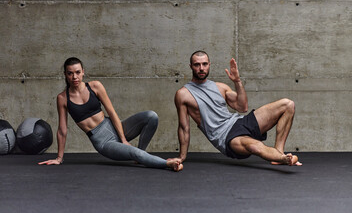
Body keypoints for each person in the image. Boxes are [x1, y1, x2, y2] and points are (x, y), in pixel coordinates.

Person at [39, 57, 183, 171]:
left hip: (115, 127)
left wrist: (123, 139)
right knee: (134, 152)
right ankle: (167, 164)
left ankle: (141, 155)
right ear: (65, 74)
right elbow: (62, 130)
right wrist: (59, 158)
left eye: (77, 72)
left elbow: (112, 112)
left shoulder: (95, 86)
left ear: (83, 71)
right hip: (103, 142)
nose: (74, 77)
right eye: (70, 73)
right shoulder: (63, 98)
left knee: (151, 116)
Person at [173, 50, 302, 166]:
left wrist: (237, 82)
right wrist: (182, 156)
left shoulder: (220, 87)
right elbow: (184, 128)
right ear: (191, 66)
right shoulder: (183, 94)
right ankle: (284, 159)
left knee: (288, 104)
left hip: (240, 122)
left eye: (204, 64)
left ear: (209, 65)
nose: (201, 68)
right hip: (226, 136)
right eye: (197, 65)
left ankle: (278, 153)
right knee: (255, 146)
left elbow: (242, 107)